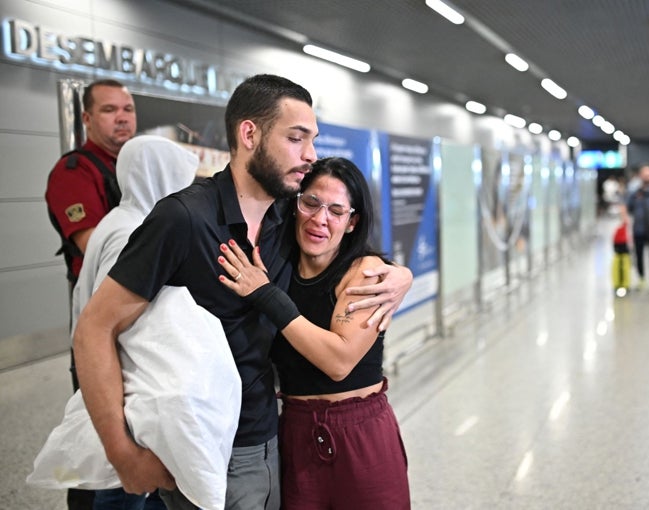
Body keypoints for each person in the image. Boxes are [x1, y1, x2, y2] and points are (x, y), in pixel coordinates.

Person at [73, 74, 412, 510]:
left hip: (272, 440)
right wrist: (123, 455)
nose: (310, 155)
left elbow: (344, 240)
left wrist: (396, 275)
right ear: (249, 133)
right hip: (204, 448)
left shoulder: (284, 218)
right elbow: (94, 329)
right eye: (296, 138)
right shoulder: (184, 219)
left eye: (312, 140)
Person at [217, 157, 411, 509]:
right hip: (296, 433)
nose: (320, 219)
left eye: (336, 211)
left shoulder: (365, 272)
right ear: (295, 204)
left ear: (352, 223)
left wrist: (266, 296)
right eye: (311, 203)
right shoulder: (278, 267)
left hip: (360, 436)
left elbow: (338, 361)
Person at [69, 135, 197, 510]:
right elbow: (118, 323)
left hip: (119, 382)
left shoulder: (117, 220)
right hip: (126, 387)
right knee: (125, 490)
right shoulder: (133, 231)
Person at [44, 78, 137, 510]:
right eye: (109, 110)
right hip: (98, 319)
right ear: (86, 118)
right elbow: (97, 247)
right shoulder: (74, 172)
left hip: (138, 319)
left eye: (128, 109)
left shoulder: (135, 169)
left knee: (135, 418)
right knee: (97, 423)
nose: (122, 118)